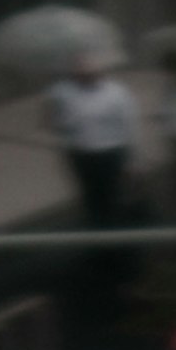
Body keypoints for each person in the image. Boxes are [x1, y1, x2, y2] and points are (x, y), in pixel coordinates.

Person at [45, 47, 141, 230]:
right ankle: (98, 236)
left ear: (100, 70)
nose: (85, 75)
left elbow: (129, 125)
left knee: (113, 197)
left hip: (112, 152)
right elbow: (52, 123)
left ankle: (119, 238)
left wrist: (132, 160)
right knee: (90, 197)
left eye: (90, 71)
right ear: (73, 72)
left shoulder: (117, 92)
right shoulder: (60, 92)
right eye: (80, 71)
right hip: (79, 154)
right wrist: (56, 117)